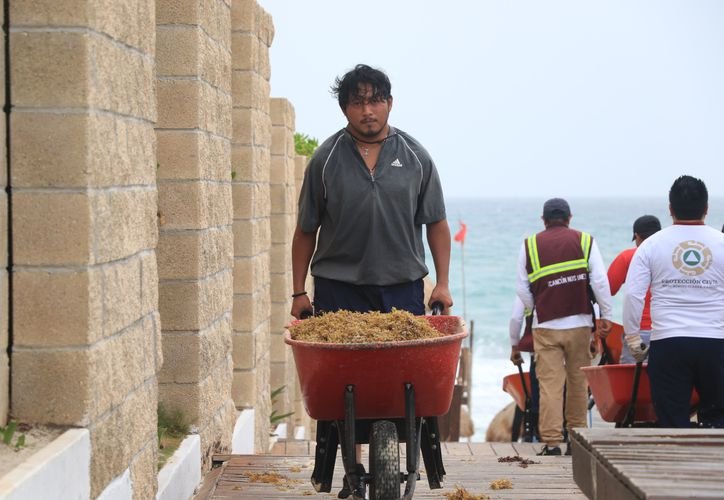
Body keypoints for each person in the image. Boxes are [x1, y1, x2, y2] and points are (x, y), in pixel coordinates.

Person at [290, 63, 454, 498]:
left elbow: (436, 223)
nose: (368, 110)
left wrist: (441, 283)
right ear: (345, 108)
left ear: (390, 104)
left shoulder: (416, 156)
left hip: (401, 288)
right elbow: (306, 229)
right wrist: (298, 292)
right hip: (338, 289)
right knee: (342, 383)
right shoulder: (326, 159)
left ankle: (422, 462)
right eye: (358, 102)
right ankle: (346, 469)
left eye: (375, 100)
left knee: (405, 380)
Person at [623, 175, 724, 428]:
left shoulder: (650, 246)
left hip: (668, 343)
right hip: (717, 342)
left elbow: (633, 294)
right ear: (706, 208)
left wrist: (633, 337)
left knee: (672, 422)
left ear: (670, 209)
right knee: (719, 421)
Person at [516, 198, 613, 456]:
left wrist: (536, 307)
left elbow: (522, 289)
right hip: (580, 323)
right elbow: (600, 282)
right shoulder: (585, 241)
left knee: (550, 385)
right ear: (569, 217)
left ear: (543, 219)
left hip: (545, 326)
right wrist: (605, 315)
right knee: (578, 382)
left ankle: (550, 443)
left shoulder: (530, 245)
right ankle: (576, 438)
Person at [607, 215, 662, 363]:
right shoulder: (670, 258)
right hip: (667, 330)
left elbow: (608, 290)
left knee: (631, 382)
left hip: (638, 332)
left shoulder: (627, 257)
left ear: (637, 236)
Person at [509, 296, 540, 441]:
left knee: (539, 396)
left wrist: (515, 346)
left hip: (540, 350)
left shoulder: (530, 285)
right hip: (574, 347)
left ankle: (542, 434)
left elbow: (516, 318)